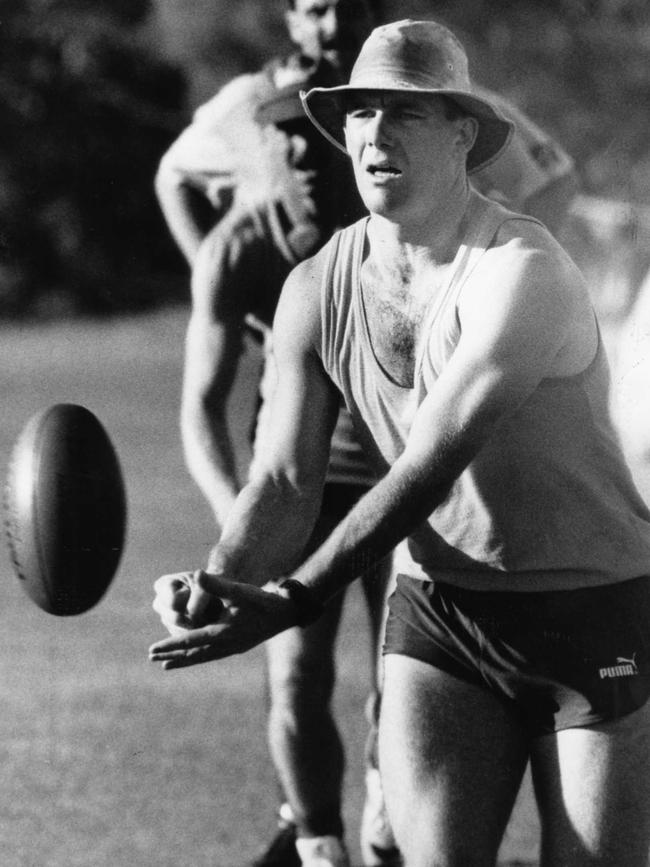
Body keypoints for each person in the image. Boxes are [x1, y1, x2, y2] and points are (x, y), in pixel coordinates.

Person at [150, 18, 650, 867]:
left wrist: (299, 593)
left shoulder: (522, 269)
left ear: (464, 134)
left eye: (406, 113)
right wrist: (223, 578)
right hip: (442, 612)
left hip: (592, 608)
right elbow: (281, 478)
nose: (376, 132)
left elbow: (430, 462)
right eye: (361, 112)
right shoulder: (316, 286)